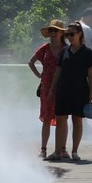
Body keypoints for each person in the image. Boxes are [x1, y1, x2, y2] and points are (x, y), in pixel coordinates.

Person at [45, 21, 92, 162]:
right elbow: (58, 70)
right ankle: (57, 151)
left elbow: (91, 75)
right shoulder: (64, 51)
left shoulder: (88, 53)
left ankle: (74, 151)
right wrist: (52, 89)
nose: (69, 37)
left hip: (80, 90)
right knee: (61, 118)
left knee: (77, 120)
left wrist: (91, 93)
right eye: (67, 35)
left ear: (80, 34)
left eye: (72, 34)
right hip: (63, 89)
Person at [27, 19, 66, 158]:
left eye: (56, 30)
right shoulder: (45, 48)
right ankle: (43, 149)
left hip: (62, 87)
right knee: (47, 118)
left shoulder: (65, 49)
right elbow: (31, 62)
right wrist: (39, 75)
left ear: (62, 33)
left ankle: (62, 148)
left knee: (62, 118)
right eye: (51, 30)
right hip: (46, 87)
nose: (53, 33)